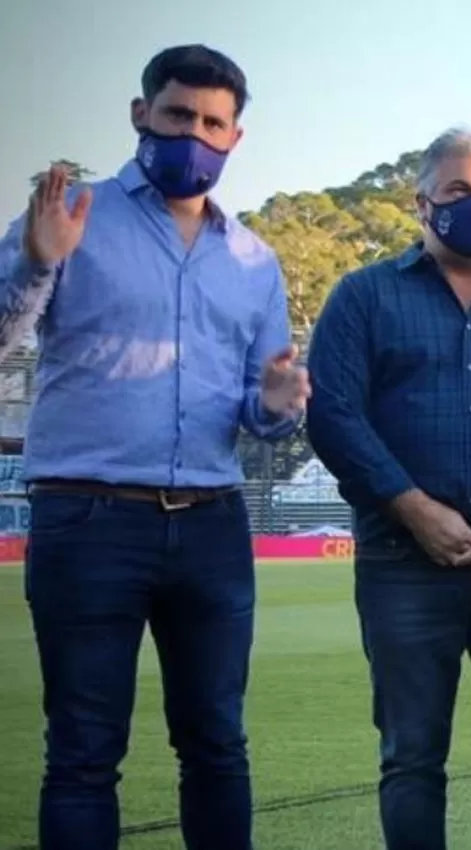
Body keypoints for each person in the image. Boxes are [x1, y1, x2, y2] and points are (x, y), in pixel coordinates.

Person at [0, 45, 306, 850]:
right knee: (83, 754)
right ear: (141, 114)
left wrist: (276, 409)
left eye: (212, 123)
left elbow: (262, 411)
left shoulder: (254, 261)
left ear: (235, 137)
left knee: (216, 746)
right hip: (87, 516)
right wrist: (36, 264)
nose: (193, 135)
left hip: (211, 521)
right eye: (177, 115)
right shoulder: (73, 220)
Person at [305, 128, 471, 850]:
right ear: (421, 200)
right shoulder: (363, 297)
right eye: (459, 190)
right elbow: (332, 413)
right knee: (412, 757)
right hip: (403, 560)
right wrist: (412, 505)